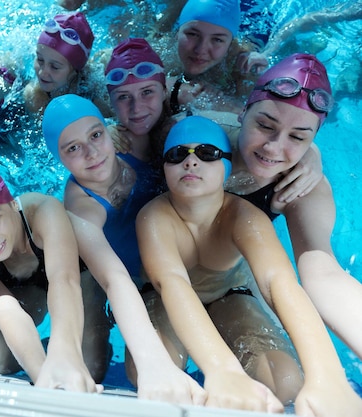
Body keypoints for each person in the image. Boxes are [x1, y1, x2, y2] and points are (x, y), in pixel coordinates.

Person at [136, 115, 362, 416]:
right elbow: (172, 283)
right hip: (164, 298)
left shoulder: (244, 217)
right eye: (177, 155)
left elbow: (278, 283)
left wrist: (327, 376)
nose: (191, 162)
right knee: (154, 370)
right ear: (164, 169)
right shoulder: (154, 217)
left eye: (207, 153)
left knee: (284, 381)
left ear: (227, 167)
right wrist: (222, 370)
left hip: (228, 294)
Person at [42, 94, 205, 403]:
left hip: (158, 267)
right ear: (59, 158)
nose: (92, 153)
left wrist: (309, 155)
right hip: (102, 274)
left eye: (95, 135)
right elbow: (113, 278)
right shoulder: (81, 207)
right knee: (91, 367)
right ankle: (60, 345)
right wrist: (152, 363)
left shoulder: (136, 146)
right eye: (73, 148)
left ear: (109, 131)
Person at [225, 53, 362, 360]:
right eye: (264, 125)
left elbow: (324, 273)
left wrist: (310, 153)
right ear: (242, 112)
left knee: (283, 373)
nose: (273, 148)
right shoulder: (201, 137)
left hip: (231, 272)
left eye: (298, 138)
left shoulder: (303, 187)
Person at [0, 159, 111, 390]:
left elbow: (64, 279)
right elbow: (6, 311)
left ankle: (81, 340)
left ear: (12, 203)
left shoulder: (42, 211)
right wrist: (45, 380)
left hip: (77, 276)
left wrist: (67, 354)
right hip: (24, 290)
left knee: (91, 367)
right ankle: (51, 351)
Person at [151, 0, 268, 115]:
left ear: (230, 45)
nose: (200, 50)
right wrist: (182, 90)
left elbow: (247, 113)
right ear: (177, 33)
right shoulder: (158, 53)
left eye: (217, 40)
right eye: (192, 34)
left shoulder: (240, 66)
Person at [23, 12, 110, 116]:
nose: (42, 72)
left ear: (74, 71)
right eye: (40, 60)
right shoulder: (35, 96)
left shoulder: (95, 94)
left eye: (54, 67)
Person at [104, 37, 170, 165]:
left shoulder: (184, 106)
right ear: (111, 103)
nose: (137, 108)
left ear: (164, 92)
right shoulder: (116, 138)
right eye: (123, 97)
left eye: (147, 92)